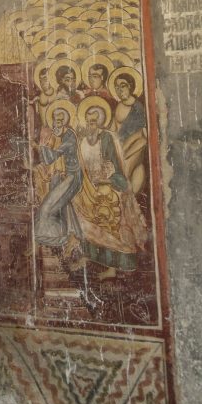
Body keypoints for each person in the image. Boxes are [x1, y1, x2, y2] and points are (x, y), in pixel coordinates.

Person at [74, 100, 147, 279]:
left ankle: (113, 267)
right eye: (87, 121)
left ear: (100, 122)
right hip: (89, 186)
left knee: (110, 214)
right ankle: (88, 257)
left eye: (93, 122)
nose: (90, 125)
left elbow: (113, 164)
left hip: (110, 183)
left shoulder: (106, 138)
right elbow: (80, 165)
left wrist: (105, 178)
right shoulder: (82, 141)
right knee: (81, 210)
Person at [33, 104, 83, 251]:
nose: (57, 124)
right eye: (55, 121)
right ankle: (70, 237)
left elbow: (51, 158)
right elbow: (48, 161)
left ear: (66, 122)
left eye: (60, 121)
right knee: (59, 206)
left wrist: (40, 146)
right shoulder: (59, 136)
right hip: (63, 175)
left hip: (73, 178)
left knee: (47, 209)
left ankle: (56, 238)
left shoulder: (70, 137)